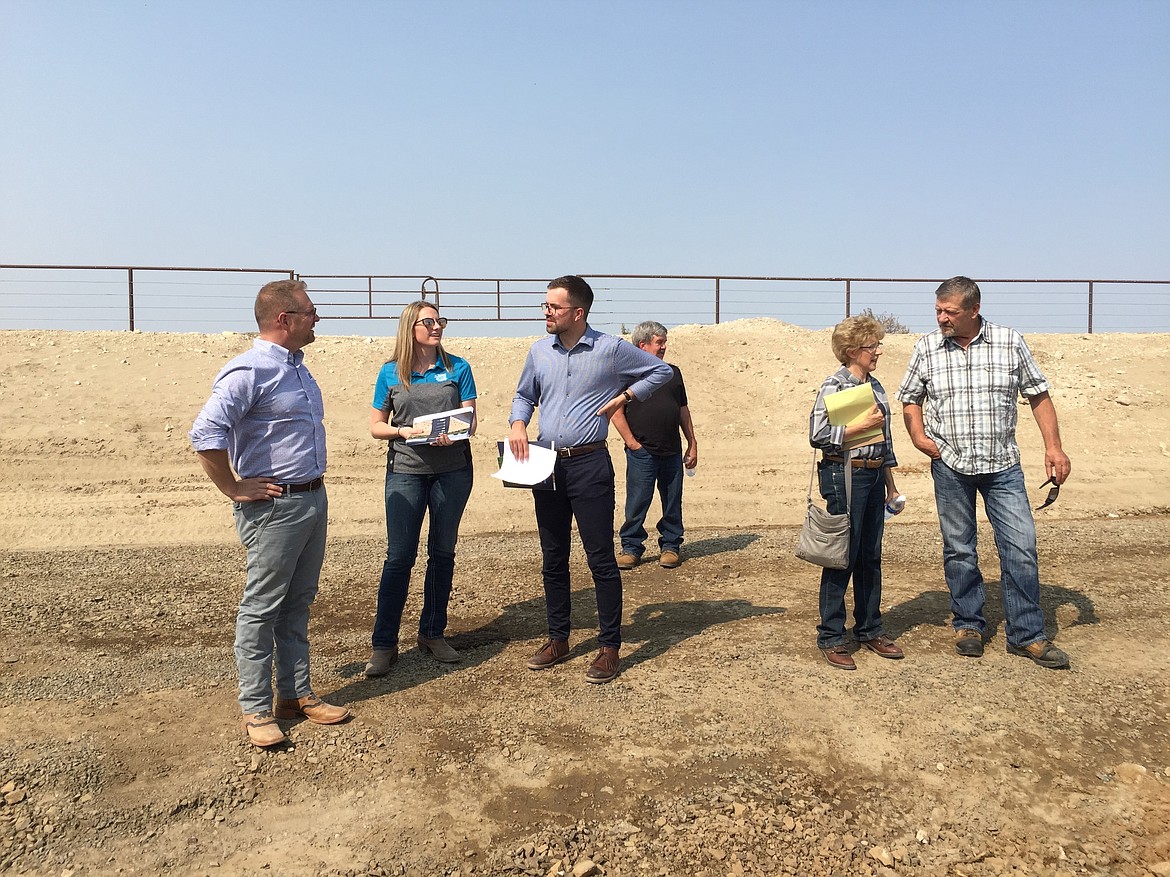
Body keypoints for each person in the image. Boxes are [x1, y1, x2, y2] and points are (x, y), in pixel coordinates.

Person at [190, 279, 349, 748]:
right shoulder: (249, 370)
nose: (317, 318)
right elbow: (206, 433)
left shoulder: (298, 368)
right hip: (274, 507)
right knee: (261, 608)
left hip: (311, 498)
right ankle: (255, 707)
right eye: (310, 311)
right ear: (285, 319)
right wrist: (232, 487)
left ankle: (295, 695)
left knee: (298, 601)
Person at [896, 276, 1072, 669]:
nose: (941, 317)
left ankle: (1027, 634)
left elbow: (1038, 395)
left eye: (950, 312)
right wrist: (920, 439)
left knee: (1021, 547)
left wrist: (1054, 446)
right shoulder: (926, 347)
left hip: (1002, 466)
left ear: (974, 310)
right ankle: (968, 625)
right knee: (960, 550)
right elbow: (910, 399)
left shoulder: (1010, 342)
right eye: (938, 310)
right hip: (950, 466)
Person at [509, 276, 673, 683]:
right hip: (545, 464)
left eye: (554, 307)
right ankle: (558, 638)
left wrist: (626, 397)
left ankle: (609, 647)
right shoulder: (538, 352)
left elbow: (662, 371)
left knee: (600, 558)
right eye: (545, 305)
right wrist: (517, 423)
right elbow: (525, 395)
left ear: (578, 313)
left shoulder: (611, 349)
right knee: (553, 557)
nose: (546, 312)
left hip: (589, 465)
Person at [364, 301, 477, 677]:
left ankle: (432, 633)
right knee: (399, 557)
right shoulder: (390, 372)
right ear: (410, 327)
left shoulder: (458, 367)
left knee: (442, 553)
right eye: (428, 321)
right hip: (407, 472)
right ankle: (384, 644)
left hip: (453, 471)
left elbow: (470, 420)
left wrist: (455, 431)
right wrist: (403, 431)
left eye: (440, 320)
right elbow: (377, 425)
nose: (437, 326)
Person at [808, 315, 904, 670]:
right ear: (852, 351)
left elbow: (885, 440)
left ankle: (869, 628)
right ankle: (831, 636)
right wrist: (858, 426)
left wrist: (891, 485)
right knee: (841, 556)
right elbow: (817, 434)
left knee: (870, 556)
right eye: (872, 346)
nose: (878, 351)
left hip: (874, 475)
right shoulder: (834, 385)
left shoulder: (876, 387)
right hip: (843, 475)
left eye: (878, 344)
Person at [610, 321, 698, 570]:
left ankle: (670, 546)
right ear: (643, 345)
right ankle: (631, 547)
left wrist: (692, 443)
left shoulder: (673, 373)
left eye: (664, 342)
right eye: (659, 342)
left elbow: (683, 410)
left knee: (672, 500)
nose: (664, 347)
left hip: (672, 450)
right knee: (637, 501)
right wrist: (632, 443)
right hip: (642, 452)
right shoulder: (627, 375)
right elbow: (616, 411)